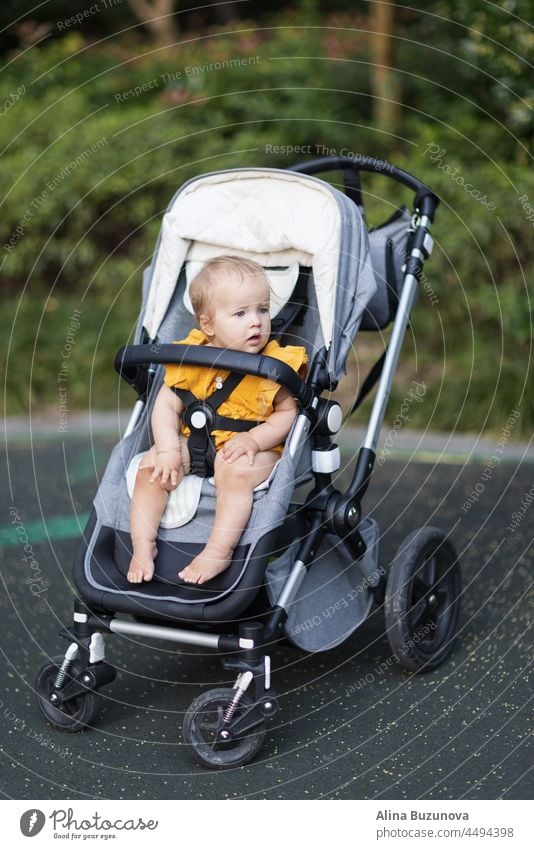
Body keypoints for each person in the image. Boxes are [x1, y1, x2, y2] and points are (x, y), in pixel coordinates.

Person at [127, 255, 307, 586]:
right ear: (208, 325)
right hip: (196, 443)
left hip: (251, 449)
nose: (256, 322)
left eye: (262, 310)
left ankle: (219, 550)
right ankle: (142, 545)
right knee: (150, 469)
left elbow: (288, 412)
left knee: (235, 470)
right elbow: (165, 405)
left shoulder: (274, 364)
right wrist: (167, 448)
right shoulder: (191, 357)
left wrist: (255, 440)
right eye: (240, 314)